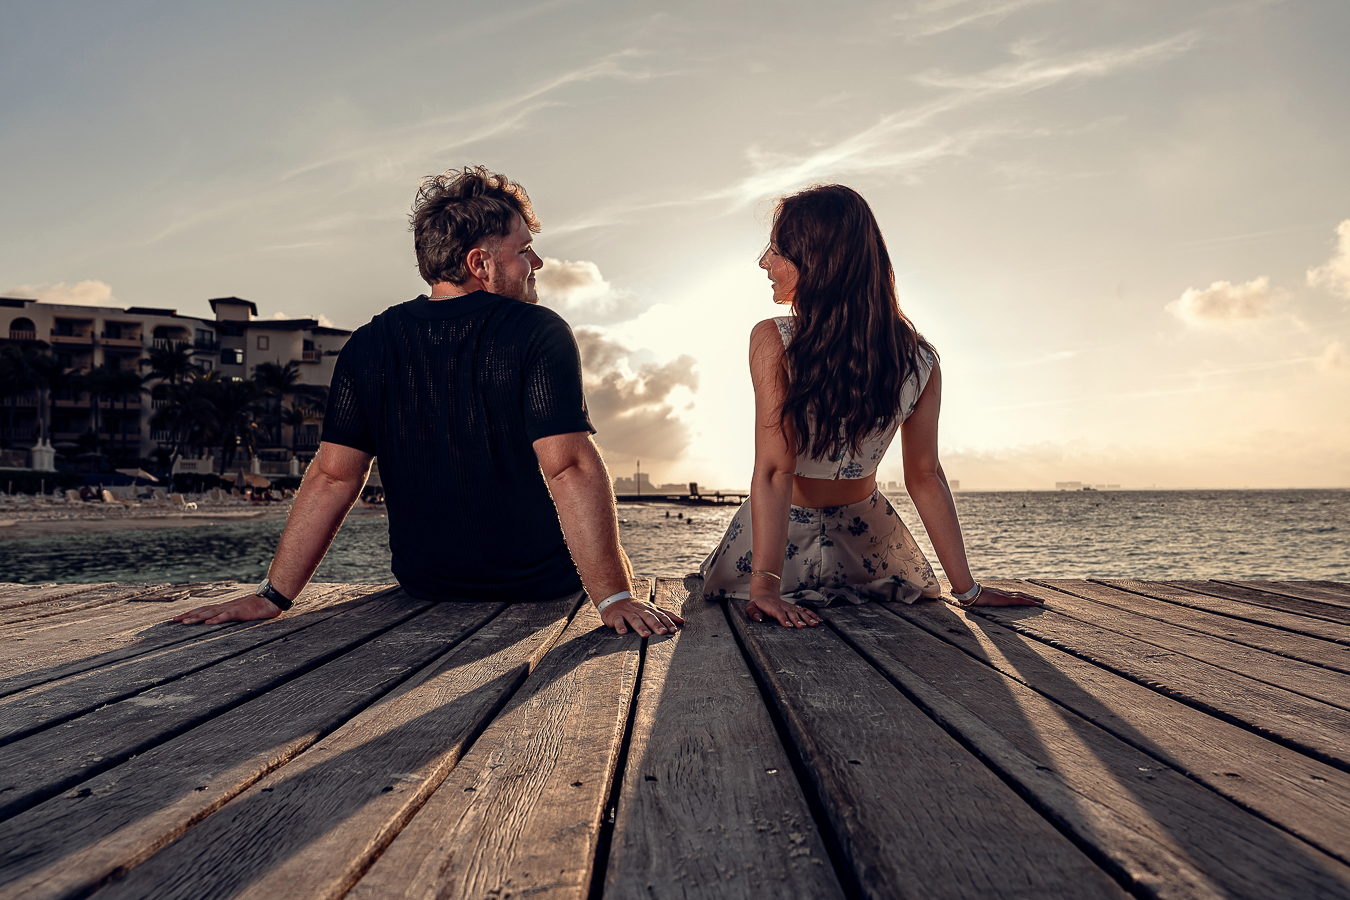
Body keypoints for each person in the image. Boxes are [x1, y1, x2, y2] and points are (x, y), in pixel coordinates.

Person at [176, 166, 682, 637]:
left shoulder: (368, 343)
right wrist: (614, 597)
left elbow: (333, 477)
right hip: (539, 586)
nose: (537, 263)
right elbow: (568, 467)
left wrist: (273, 596)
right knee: (624, 572)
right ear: (480, 263)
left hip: (425, 585)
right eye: (524, 250)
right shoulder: (536, 330)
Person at [697, 184, 1041, 627]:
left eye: (778, 250)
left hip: (783, 556)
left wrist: (764, 587)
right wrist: (966, 590)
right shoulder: (919, 358)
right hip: (868, 549)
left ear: (820, 261)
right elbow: (925, 475)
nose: (764, 261)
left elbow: (776, 470)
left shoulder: (776, 339)